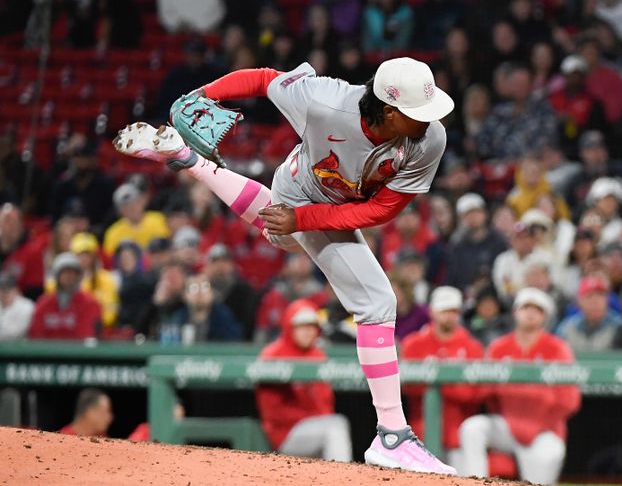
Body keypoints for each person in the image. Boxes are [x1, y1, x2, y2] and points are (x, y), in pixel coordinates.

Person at [113, 55, 458, 473]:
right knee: (377, 301)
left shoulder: (430, 139)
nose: (430, 120)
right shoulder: (325, 100)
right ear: (388, 109)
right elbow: (262, 78)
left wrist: (303, 220)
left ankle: (188, 159)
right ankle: (392, 436)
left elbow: (381, 211)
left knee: (283, 237)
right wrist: (202, 95)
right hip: (298, 188)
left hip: (317, 211)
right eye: (418, 113)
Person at [459, 288, 580, 484]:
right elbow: (484, 391)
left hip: (544, 431)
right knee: (472, 429)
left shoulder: (558, 348)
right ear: (515, 312)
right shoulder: (499, 346)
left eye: (537, 310)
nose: (530, 313)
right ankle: (475, 483)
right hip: (508, 424)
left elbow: (569, 401)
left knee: (544, 464)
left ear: (545, 316)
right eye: (525, 308)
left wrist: (539, 424)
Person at [255, 300, 352, 462]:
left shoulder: (318, 355)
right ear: (290, 327)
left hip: (315, 427)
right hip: (286, 433)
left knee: (335, 425)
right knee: (335, 427)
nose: (308, 331)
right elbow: (272, 413)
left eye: (312, 326)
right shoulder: (273, 354)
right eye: (302, 326)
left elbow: (326, 402)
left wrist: (316, 417)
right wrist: (310, 416)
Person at [400, 286, 483, 470]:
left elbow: (473, 393)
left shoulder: (472, 346)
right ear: (432, 311)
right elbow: (408, 388)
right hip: (422, 428)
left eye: (453, 311)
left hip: (459, 430)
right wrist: (452, 383)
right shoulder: (414, 343)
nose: (449, 315)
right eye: (444, 310)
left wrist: (435, 383)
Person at [474, 65, 558, 161]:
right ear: (509, 86)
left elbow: (547, 139)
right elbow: (484, 142)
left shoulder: (543, 109)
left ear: (531, 85)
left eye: (523, 83)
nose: (519, 87)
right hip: (499, 165)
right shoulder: (498, 112)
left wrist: (526, 158)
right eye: (516, 84)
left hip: (532, 164)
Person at [45, 233, 119, 328]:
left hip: (96, 330)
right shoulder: (56, 282)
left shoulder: (106, 279)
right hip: (65, 329)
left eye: (87, 254)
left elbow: (110, 314)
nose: (84, 258)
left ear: (94, 256)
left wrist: (87, 321)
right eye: (80, 254)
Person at [28, 253, 102, 340]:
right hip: (48, 352)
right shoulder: (44, 303)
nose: (69, 276)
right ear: (57, 276)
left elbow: (86, 336)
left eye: (72, 272)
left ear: (78, 276)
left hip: (78, 352)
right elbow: (36, 336)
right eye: (64, 272)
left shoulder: (90, 303)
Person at [444, 193, 507, 295]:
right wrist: (466, 290)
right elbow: (452, 278)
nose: (473, 218)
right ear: (460, 219)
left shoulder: (499, 241)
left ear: (485, 214)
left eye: (477, 212)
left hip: (495, 295)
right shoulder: (457, 247)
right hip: (465, 296)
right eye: (468, 214)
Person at [492, 209, 553, 303]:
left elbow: (548, 285)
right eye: (518, 238)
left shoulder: (544, 257)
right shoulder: (503, 260)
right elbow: (503, 290)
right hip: (510, 303)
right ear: (511, 241)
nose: (523, 242)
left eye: (526, 237)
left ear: (533, 239)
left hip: (540, 300)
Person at [204, 244, 259, 341]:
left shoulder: (245, 293)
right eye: (215, 261)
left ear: (232, 265)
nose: (220, 266)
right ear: (207, 267)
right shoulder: (200, 290)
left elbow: (248, 328)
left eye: (225, 261)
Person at [167, 274, 243, 343]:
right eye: (193, 288)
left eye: (205, 287)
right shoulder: (177, 319)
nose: (199, 292)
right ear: (184, 295)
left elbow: (233, 343)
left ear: (212, 293)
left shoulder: (224, 318)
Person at [102, 183, 170, 258]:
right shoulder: (113, 233)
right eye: (125, 206)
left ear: (141, 201)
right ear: (119, 211)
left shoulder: (158, 219)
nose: (131, 208)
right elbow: (112, 260)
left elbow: (167, 246)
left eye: (134, 202)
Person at [556, 276, 622, 352]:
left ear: (607, 300)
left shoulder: (619, 327)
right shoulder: (566, 328)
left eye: (600, 296)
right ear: (579, 301)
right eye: (589, 296)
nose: (595, 302)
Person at [0, 203, 48, 300]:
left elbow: (36, 293)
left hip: (18, 306)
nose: (11, 226)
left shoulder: (32, 252)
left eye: (15, 221)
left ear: (21, 225)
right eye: (7, 220)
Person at [0, 272, 34, 340]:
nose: (5, 293)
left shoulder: (27, 306)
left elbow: (15, 333)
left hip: (20, 348)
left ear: (16, 290)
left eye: (8, 289)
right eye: (2, 289)